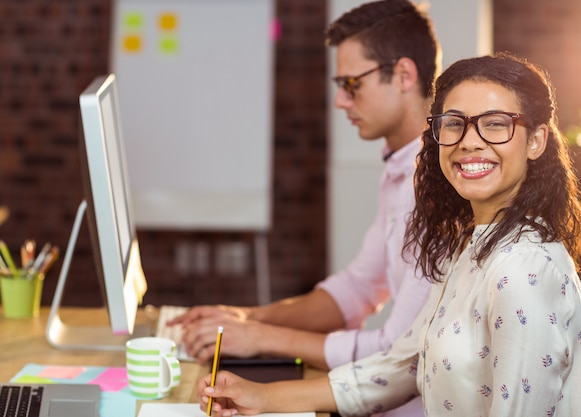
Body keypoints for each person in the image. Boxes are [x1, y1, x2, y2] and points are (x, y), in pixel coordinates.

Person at [196, 52, 581, 417]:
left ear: (536, 141)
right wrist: (263, 398)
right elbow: (404, 364)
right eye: (454, 124)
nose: (469, 142)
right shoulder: (471, 242)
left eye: (495, 125)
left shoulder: (521, 269)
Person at [170, 1, 439, 416]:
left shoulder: (435, 186)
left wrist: (260, 336)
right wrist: (248, 317)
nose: (339, 101)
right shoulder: (402, 166)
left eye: (351, 83)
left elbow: (395, 354)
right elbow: (359, 288)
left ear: (404, 75)